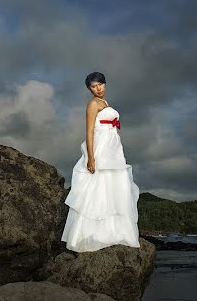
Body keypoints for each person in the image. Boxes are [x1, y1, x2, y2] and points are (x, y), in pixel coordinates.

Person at [60, 72, 140, 252]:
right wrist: (91, 157)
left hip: (113, 146)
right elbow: (89, 132)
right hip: (100, 146)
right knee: (97, 186)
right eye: (94, 87)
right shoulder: (93, 104)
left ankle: (115, 232)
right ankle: (94, 234)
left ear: (105, 84)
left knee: (114, 186)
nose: (98, 89)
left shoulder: (105, 103)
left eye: (100, 85)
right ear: (90, 89)